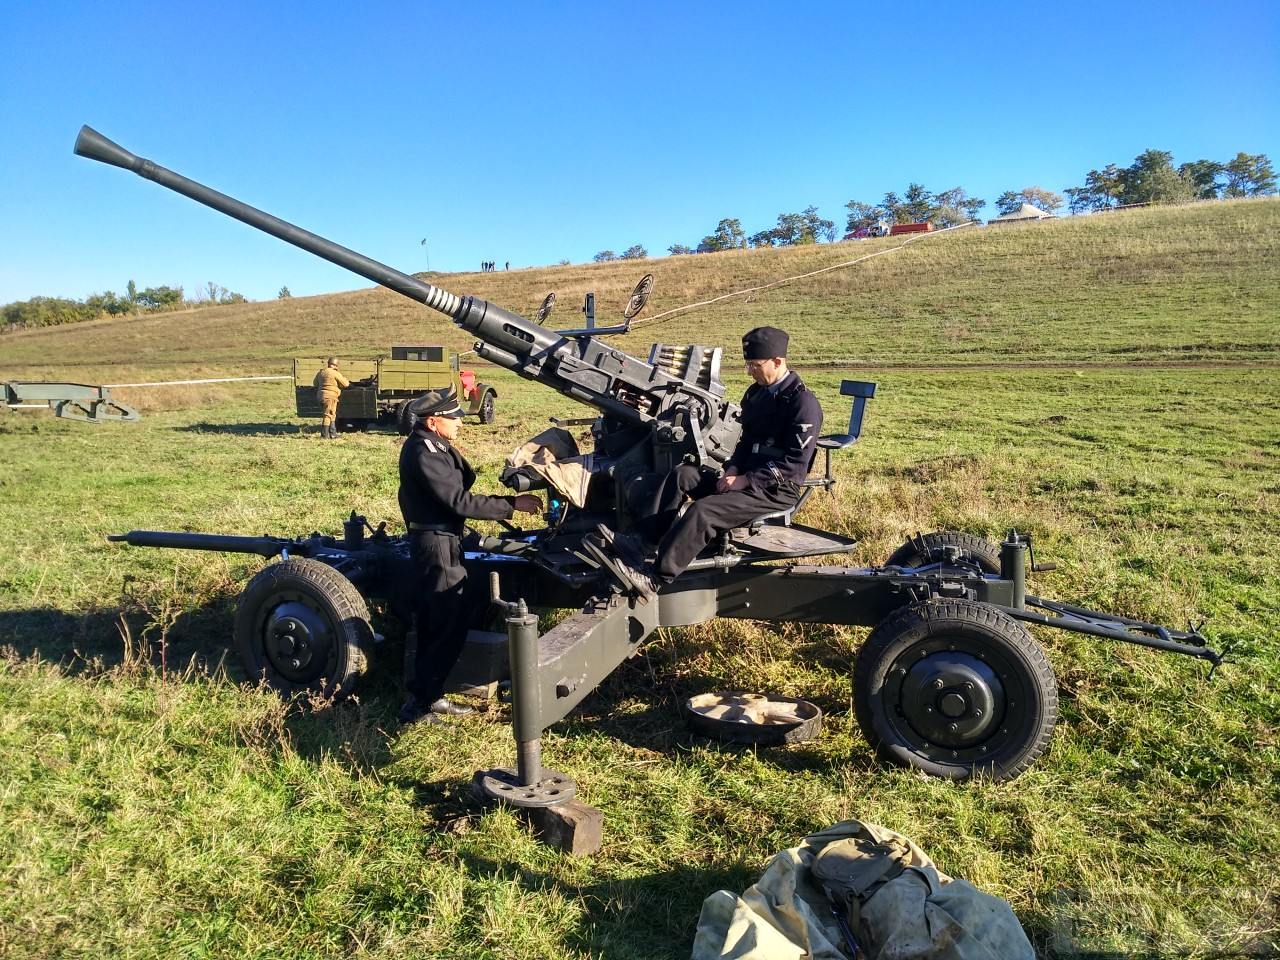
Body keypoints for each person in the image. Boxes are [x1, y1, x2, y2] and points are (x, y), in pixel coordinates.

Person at [600, 326, 822, 596]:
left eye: (755, 365)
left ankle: (655, 578)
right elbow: (745, 441)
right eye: (748, 365)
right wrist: (733, 468)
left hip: (774, 490)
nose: (750, 371)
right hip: (743, 477)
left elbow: (794, 466)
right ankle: (642, 542)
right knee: (683, 474)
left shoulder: (803, 403)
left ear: (778, 362)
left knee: (703, 511)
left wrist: (745, 480)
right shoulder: (756, 395)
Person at [397, 386, 541, 725]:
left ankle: (430, 695)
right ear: (433, 422)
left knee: (444, 620)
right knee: (444, 623)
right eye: (453, 418)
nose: (459, 423)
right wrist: (510, 505)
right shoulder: (423, 452)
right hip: (437, 543)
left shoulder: (433, 445)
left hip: (444, 539)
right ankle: (420, 705)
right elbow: (459, 501)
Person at [313, 356, 350, 439]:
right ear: (336, 365)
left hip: (321, 395)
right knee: (328, 415)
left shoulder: (321, 372)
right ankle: (324, 435)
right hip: (330, 396)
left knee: (332, 414)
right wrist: (343, 378)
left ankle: (333, 433)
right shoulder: (335, 373)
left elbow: (315, 383)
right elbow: (345, 384)